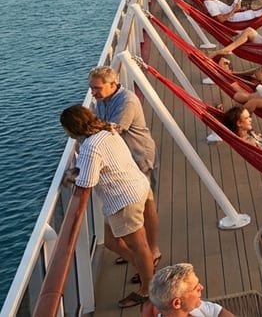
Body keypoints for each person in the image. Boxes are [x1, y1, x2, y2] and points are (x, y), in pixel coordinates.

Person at [60, 105, 157, 308]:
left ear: (72, 128)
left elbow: (87, 182)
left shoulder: (89, 147)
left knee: (139, 246)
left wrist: (72, 176)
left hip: (124, 199)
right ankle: (146, 270)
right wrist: (78, 170)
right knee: (113, 242)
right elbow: (98, 166)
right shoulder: (107, 130)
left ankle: (148, 290)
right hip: (136, 185)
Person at [89, 67, 162, 268]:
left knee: (147, 207)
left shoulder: (126, 101)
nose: (92, 93)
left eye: (96, 88)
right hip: (126, 161)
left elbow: (112, 131)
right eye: (91, 88)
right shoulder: (102, 101)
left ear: (113, 84)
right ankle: (141, 254)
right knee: (143, 207)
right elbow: (96, 125)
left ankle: (151, 251)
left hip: (140, 158)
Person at [149, 262, 235, 317]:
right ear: (177, 303)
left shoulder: (193, 306)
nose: (201, 287)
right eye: (195, 288)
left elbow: (216, 311)